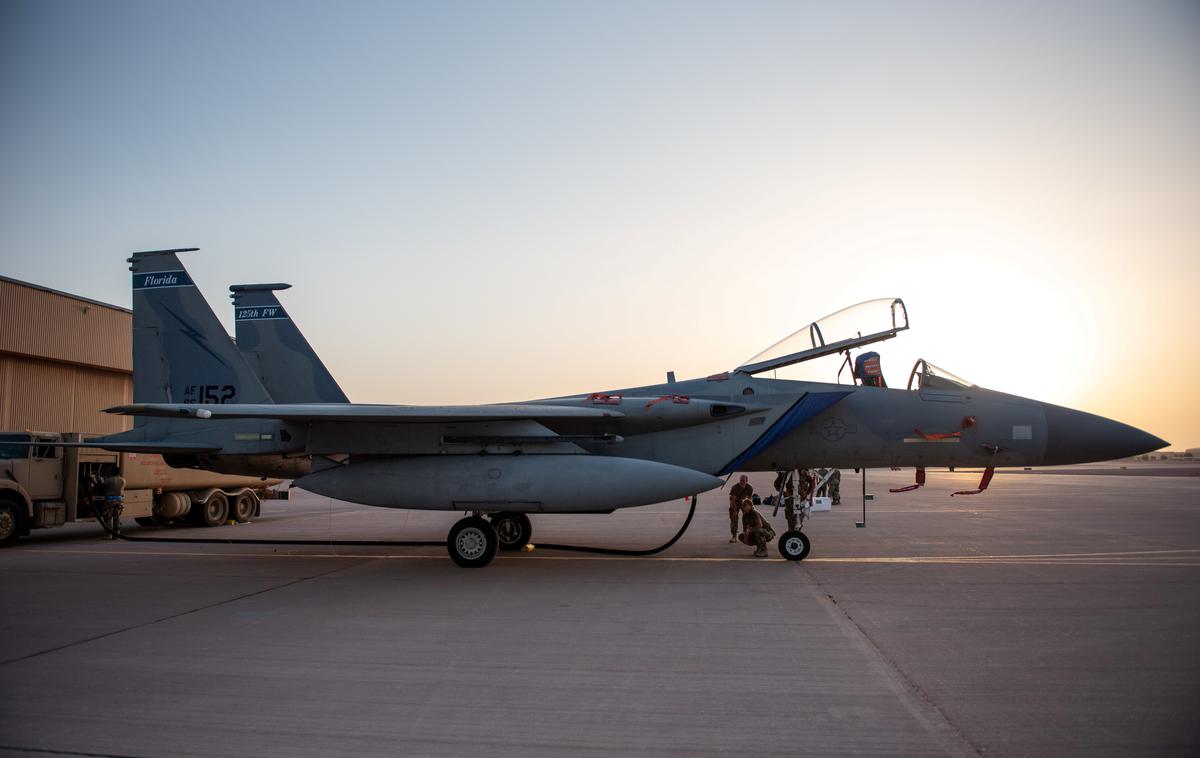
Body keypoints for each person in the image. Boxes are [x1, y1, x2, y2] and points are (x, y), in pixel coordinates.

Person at [727, 474, 753, 543]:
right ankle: (734, 536)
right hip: (735, 503)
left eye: (743, 480)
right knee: (734, 518)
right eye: (741, 480)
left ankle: (747, 535)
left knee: (748, 517)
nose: (742, 482)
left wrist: (750, 509)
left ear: (746, 481)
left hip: (744, 502)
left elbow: (750, 499)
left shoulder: (749, 488)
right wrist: (735, 511)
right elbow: (732, 500)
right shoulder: (735, 487)